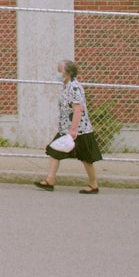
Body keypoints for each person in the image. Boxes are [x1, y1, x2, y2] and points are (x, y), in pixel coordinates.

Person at [34, 59, 102, 194]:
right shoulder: (66, 86)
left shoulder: (74, 87)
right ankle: (50, 180)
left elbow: (78, 110)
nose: (58, 74)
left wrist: (73, 130)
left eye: (60, 71)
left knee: (86, 158)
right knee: (54, 151)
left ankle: (93, 184)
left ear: (68, 73)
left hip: (79, 130)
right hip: (65, 129)